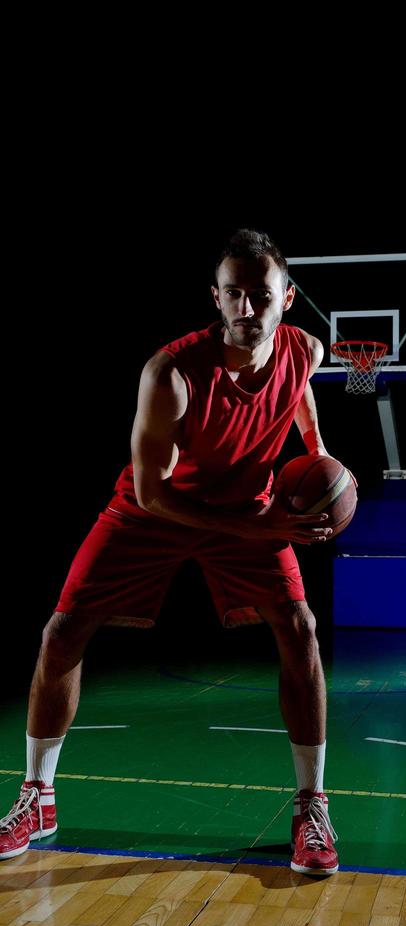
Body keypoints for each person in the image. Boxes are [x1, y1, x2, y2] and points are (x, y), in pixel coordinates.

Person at [0, 228, 340, 875]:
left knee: (300, 629)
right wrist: (264, 530)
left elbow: (298, 387)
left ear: (287, 298)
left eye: (259, 295)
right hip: (156, 510)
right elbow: (154, 495)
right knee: (62, 633)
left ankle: (311, 806)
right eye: (233, 295)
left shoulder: (309, 350)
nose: (246, 309)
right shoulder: (172, 374)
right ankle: (36, 795)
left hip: (246, 505)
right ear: (216, 297)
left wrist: (316, 451)